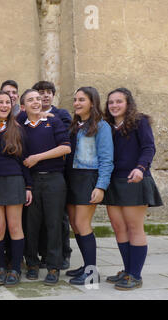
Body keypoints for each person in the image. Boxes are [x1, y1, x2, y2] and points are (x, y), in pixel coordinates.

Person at [103, 88, 163, 290]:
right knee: (119, 228)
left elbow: (149, 147)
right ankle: (128, 270)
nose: (114, 105)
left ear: (128, 103)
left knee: (134, 227)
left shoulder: (139, 122)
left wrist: (140, 168)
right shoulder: (107, 126)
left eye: (119, 101)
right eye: (111, 102)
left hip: (134, 180)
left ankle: (135, 275)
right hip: (113, 182)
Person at [20, 89, 71, 285]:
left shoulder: (54, 121)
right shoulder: (20, 126)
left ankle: (53, 266)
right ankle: (32, 263)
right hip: (31, 181)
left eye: (38, 99)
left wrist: (38, 158)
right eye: (31, 100)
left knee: (54, 224)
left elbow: (65, 147)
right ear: (23, 106)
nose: (36, 102)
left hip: (54, 179)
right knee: (31, 224)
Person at [65, 87, 114, 286]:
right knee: (75, 224)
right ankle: (87, 266)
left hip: (88, 178)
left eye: (82, 100)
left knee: (82, 223)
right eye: (75, 99)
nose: (77, 103)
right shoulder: (75, 125)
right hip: (72, 178)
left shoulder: (101, 127)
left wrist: (101, 186)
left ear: (92, 102)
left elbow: (106, 158)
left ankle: (92, 273)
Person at [0, 91, 32, 287]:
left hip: (14, 181)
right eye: (0, 102)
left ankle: (15, 268)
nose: (4, 105)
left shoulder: (18, 129)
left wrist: (28, 185)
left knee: (15, 226)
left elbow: (24, 160)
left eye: (7, 102)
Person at [30, 81, 73, 270]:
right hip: (34, 178)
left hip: (57, 174)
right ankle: (40, 256)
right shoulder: (25, 118)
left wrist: (46, 117)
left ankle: (62, 255)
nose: (44, 96)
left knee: (58, 220)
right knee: (35, 221)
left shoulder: (60, 115)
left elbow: (64, 142)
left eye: (48, 93)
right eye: (40, 93)